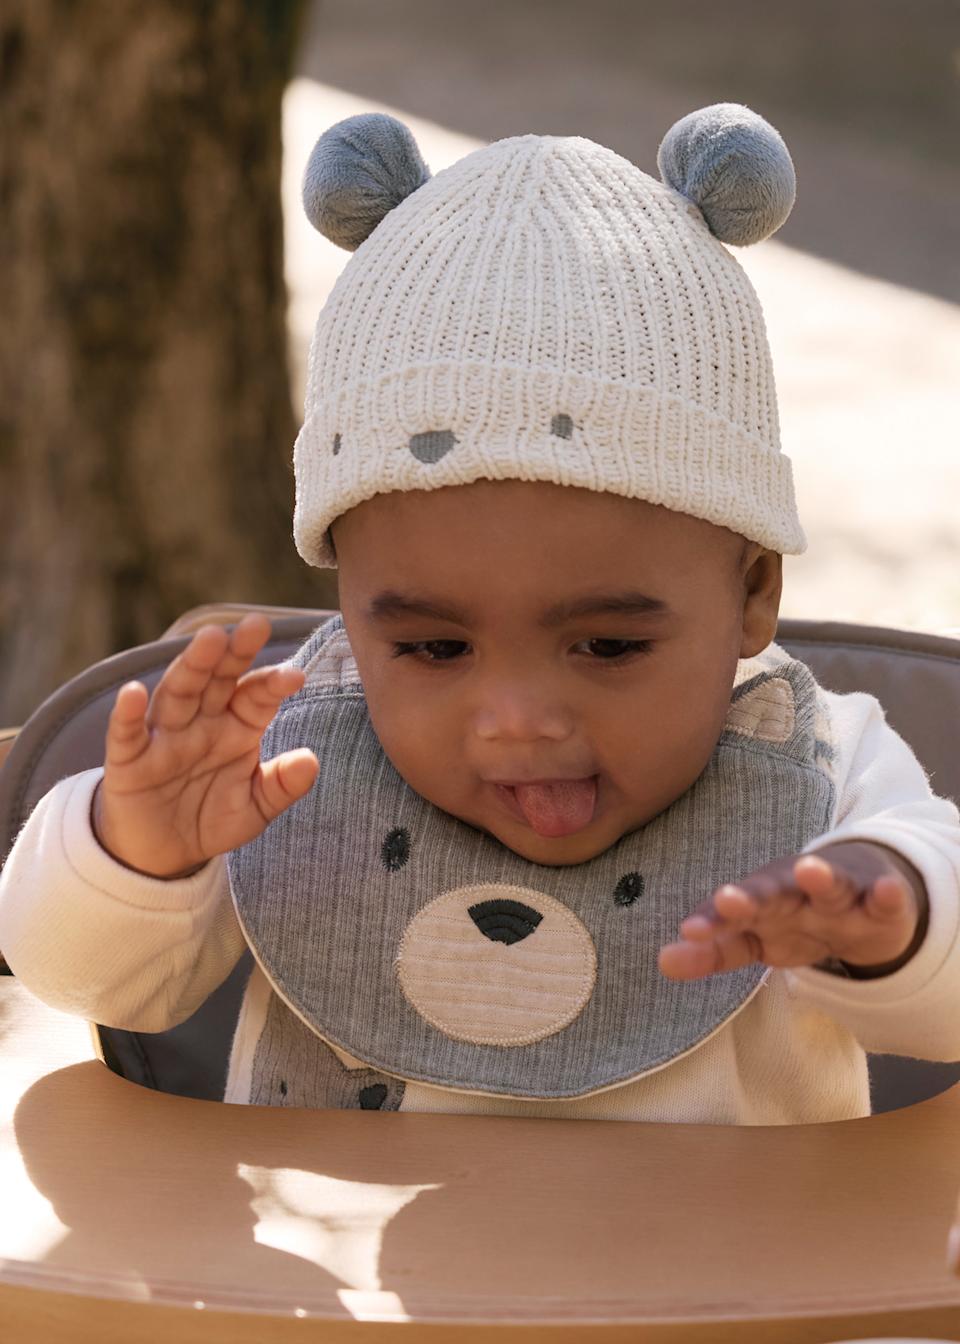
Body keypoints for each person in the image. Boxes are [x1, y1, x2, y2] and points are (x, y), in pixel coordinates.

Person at [2, 105, 959, 1123]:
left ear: (755, 591)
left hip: (728, 1279)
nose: (516, 715)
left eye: (607, 644)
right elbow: (79, 986)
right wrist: (137, 851)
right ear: (350, 606)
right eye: (432, 646)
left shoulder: (819, 769)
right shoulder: (286, 763)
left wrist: (889, 915)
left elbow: (944, 1010)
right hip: (347, 1273)